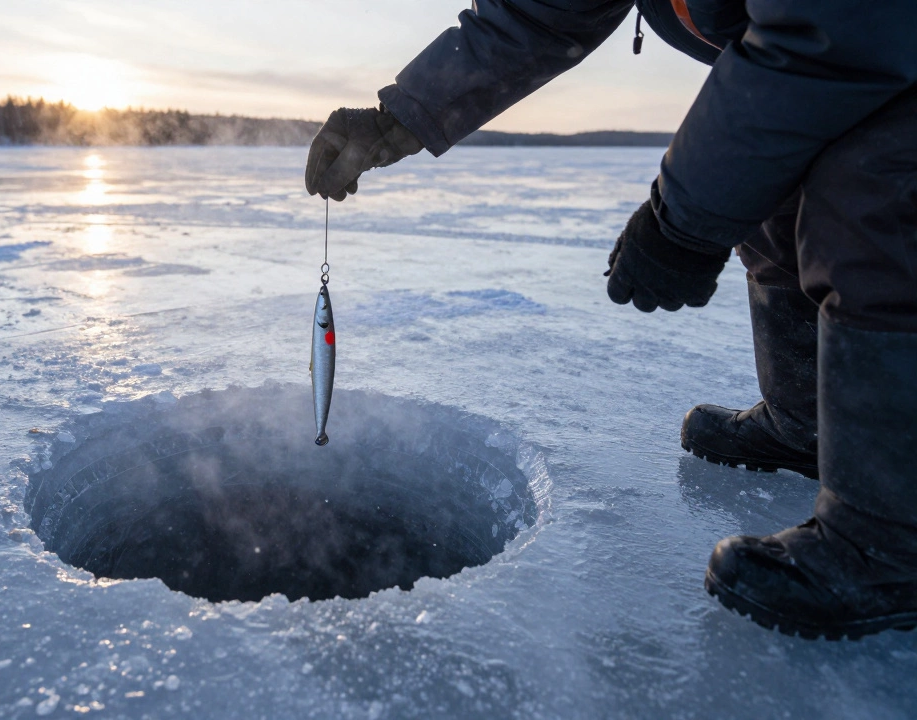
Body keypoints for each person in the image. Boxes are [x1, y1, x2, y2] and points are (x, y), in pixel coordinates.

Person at [304, 0, 917, 640]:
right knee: (776, 186)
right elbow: (541, 15)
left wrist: (682, 220)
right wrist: (400, 117)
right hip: (833, 54)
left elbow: (839, 30)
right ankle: (805, 424)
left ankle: (890, 544)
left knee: (876, 202)